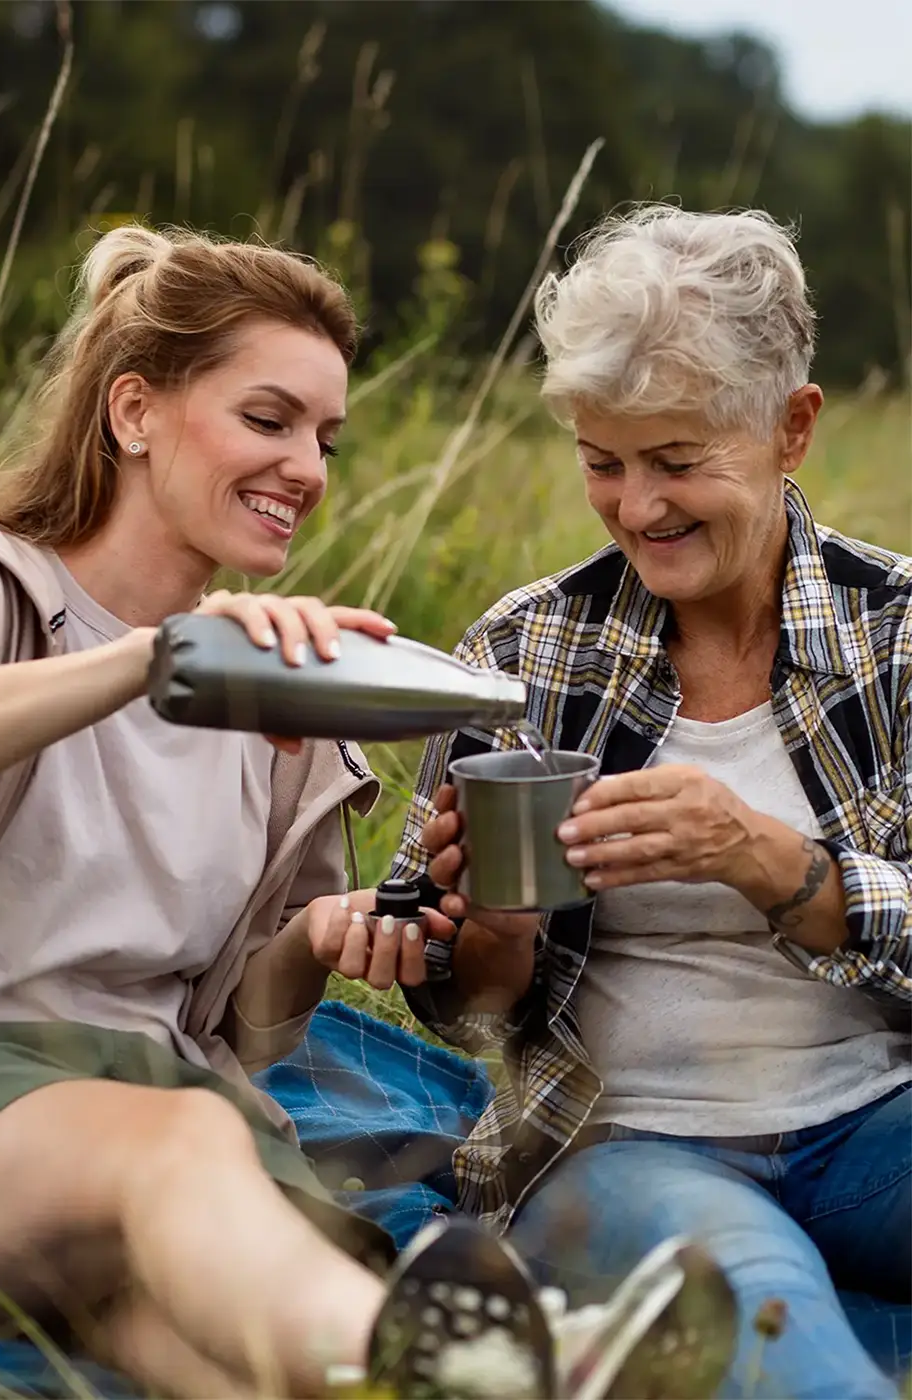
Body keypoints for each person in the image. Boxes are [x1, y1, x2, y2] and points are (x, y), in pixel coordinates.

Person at [0, 224, 525, 1400]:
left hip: (157, 1129)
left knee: (225, 1360)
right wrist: (153, 659)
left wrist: (318, 939)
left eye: (326, 437)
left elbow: (244, 1027)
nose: (308, 465)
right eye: (268, 418)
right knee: (181, 1143)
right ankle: (479, 1362)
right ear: (134, 410)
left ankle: (505, 1382)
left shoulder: (283, 695)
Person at [377, 206, 911, 1400]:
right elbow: (462, 1004)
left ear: (792, 426)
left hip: (877, 1120)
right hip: (627, 1145)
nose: (637, 507)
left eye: (678, 460)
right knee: (750, 1295)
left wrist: (773, 859)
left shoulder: (899, 633)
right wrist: (489, 933)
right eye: (601, 460)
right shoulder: (525, 646)